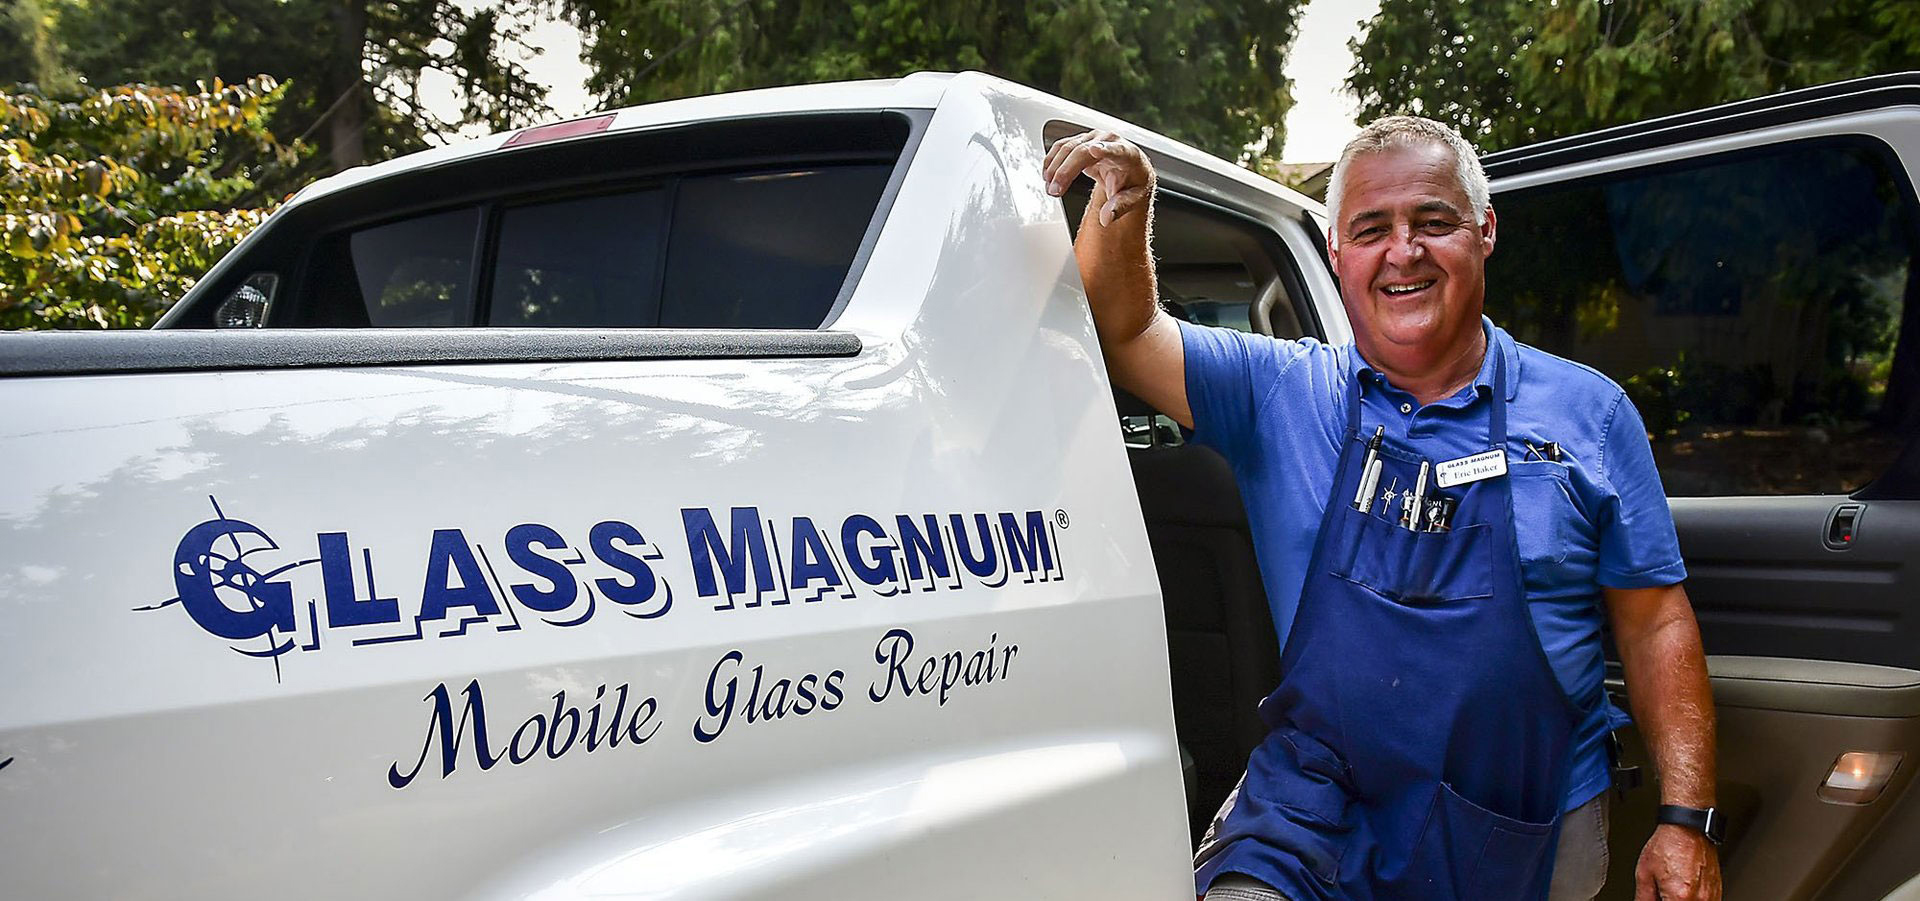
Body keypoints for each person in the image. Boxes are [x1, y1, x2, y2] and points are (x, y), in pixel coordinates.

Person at [1044, 116, 1722, 901]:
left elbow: (1654, 620)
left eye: (1433, 222)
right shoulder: (1280, 392)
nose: (1404, 251)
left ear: (1485, 231)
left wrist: (1686, 818)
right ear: (1336, 250)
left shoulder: (1589, 413)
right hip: (1314, 812)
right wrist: (1129, 204)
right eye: (1372, 229)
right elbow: (1126, 330)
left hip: (1519, 829)